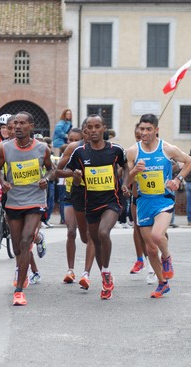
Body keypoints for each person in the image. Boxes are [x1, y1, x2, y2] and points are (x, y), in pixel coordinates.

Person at [126, 113, 191, 298]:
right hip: (143, 201)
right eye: (142, 129)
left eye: (149, 129)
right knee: (149, 249)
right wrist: (134, 171)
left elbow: (189, 161)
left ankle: (167, 257)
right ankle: (162, 283)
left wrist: (178, 179)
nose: (144, 133)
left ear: (156, 130)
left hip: (164, 199)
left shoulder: (167, 148)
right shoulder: (133, 151)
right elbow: (127, 182)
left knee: (157, 235)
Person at [65, 114, 127, 300]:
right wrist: (75, 177)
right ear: (86, 130)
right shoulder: (80, 152)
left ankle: (106, 273)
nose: (93, 130)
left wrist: (125, 183)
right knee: (94, 240)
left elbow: (127, 166)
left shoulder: (116, 150)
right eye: (90, 127)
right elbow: (68, 172)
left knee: (103, 233)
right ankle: (105, 275)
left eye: (97, 126)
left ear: (103, 128)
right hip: (90, 203)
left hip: (112, 201)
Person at [0, 112, 53, 306]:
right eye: (15, 124)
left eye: (22, 123)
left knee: (27, 240)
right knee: (17, 245)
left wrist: (46, 179)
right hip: (13, 201)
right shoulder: (5, 148)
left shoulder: (42, 148)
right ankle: (22, 270)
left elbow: (51, 169)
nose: (18, 127)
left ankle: (19, 290)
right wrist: (3, 181)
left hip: (35, 200)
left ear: (31, 126)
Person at [55, 122, 95, 287]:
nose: (89, 133)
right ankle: (70, 270)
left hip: (92, 195)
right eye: (86, 130)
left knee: (87, 237)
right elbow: (58, 169)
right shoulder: (73, 148)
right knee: (71, 231)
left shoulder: (100, 149)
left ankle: (86, 273)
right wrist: (73, 173)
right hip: (72, 194)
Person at [127, 124, 156, 284]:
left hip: (157, 197)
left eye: (144, 134)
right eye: (138, 136)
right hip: (137, 197)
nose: (141, 138)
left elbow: (174, 165)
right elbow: (126, 175)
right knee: (138, 229)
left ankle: (162, 258)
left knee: (158, 234)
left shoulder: (159, 150)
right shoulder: (133, 153)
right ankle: (146, 262)